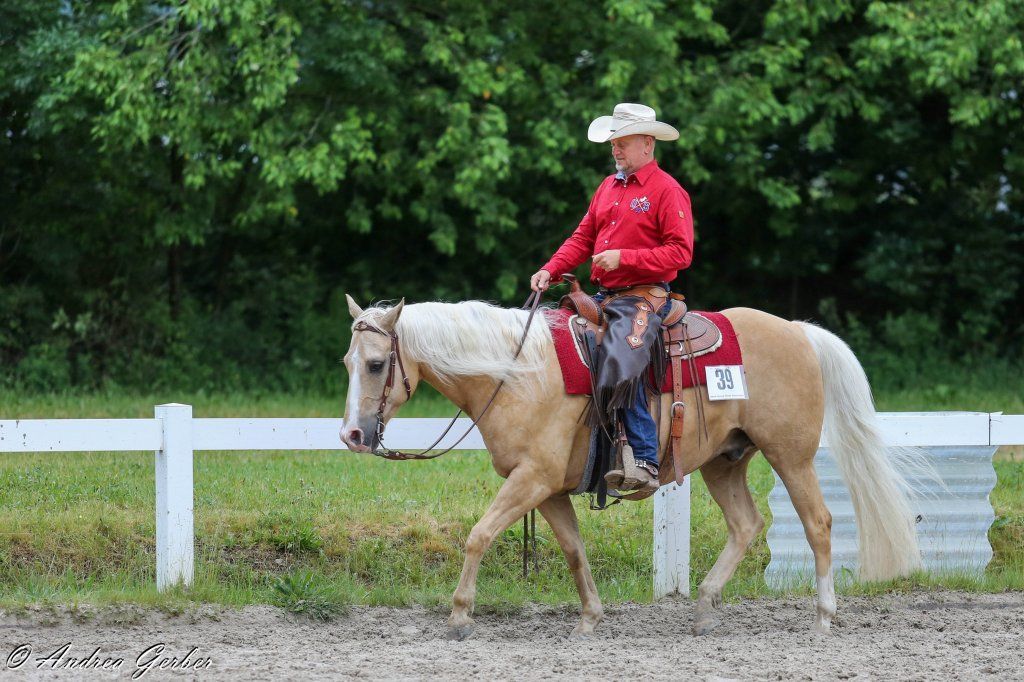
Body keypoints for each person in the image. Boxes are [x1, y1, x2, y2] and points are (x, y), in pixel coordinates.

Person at [530, 102, 694, 490]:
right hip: (604, 295)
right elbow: (582, 238)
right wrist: (550, 269)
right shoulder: (608, 187)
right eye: (612, 142)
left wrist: (625, 257)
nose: (615, 149)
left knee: (622, 357)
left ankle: (643, 458)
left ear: (647, 144)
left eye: (622, 141)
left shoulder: (667, 191)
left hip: (644, 296)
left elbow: (681, 252)